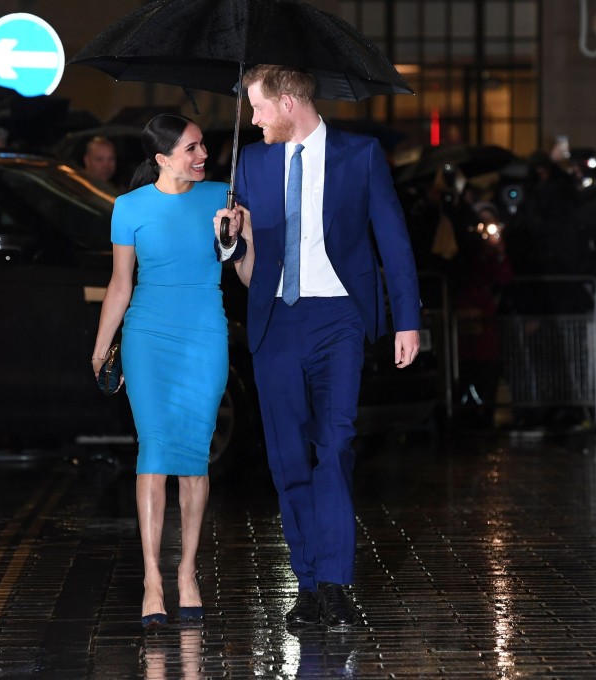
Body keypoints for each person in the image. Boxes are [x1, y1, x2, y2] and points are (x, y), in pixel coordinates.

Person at [215, 65, 422, 628]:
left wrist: (407, 321)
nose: (253, 119)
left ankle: (334, 581)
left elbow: (393, 241)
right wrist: (233, 245)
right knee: (287, 459)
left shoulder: (360, 155)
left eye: (258, 107)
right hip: (276, 320)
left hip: (339, 320)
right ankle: (307, 583)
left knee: (335, 446)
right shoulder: (253, 162)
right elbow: (251, 271)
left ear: (287, 103)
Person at [91, 114, 229, 629]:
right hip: (148, 337)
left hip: (204, 334)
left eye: (203, 146)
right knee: (154, 451)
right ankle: (152, 578)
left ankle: (187, 572)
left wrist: (238, 238)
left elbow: (247, 273)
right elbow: (121, 283)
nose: (202, 156)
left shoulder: (223, 196)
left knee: (194, 457)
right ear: (162, 158)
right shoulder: (128, 208)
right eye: (191, 148)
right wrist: (101, 349)